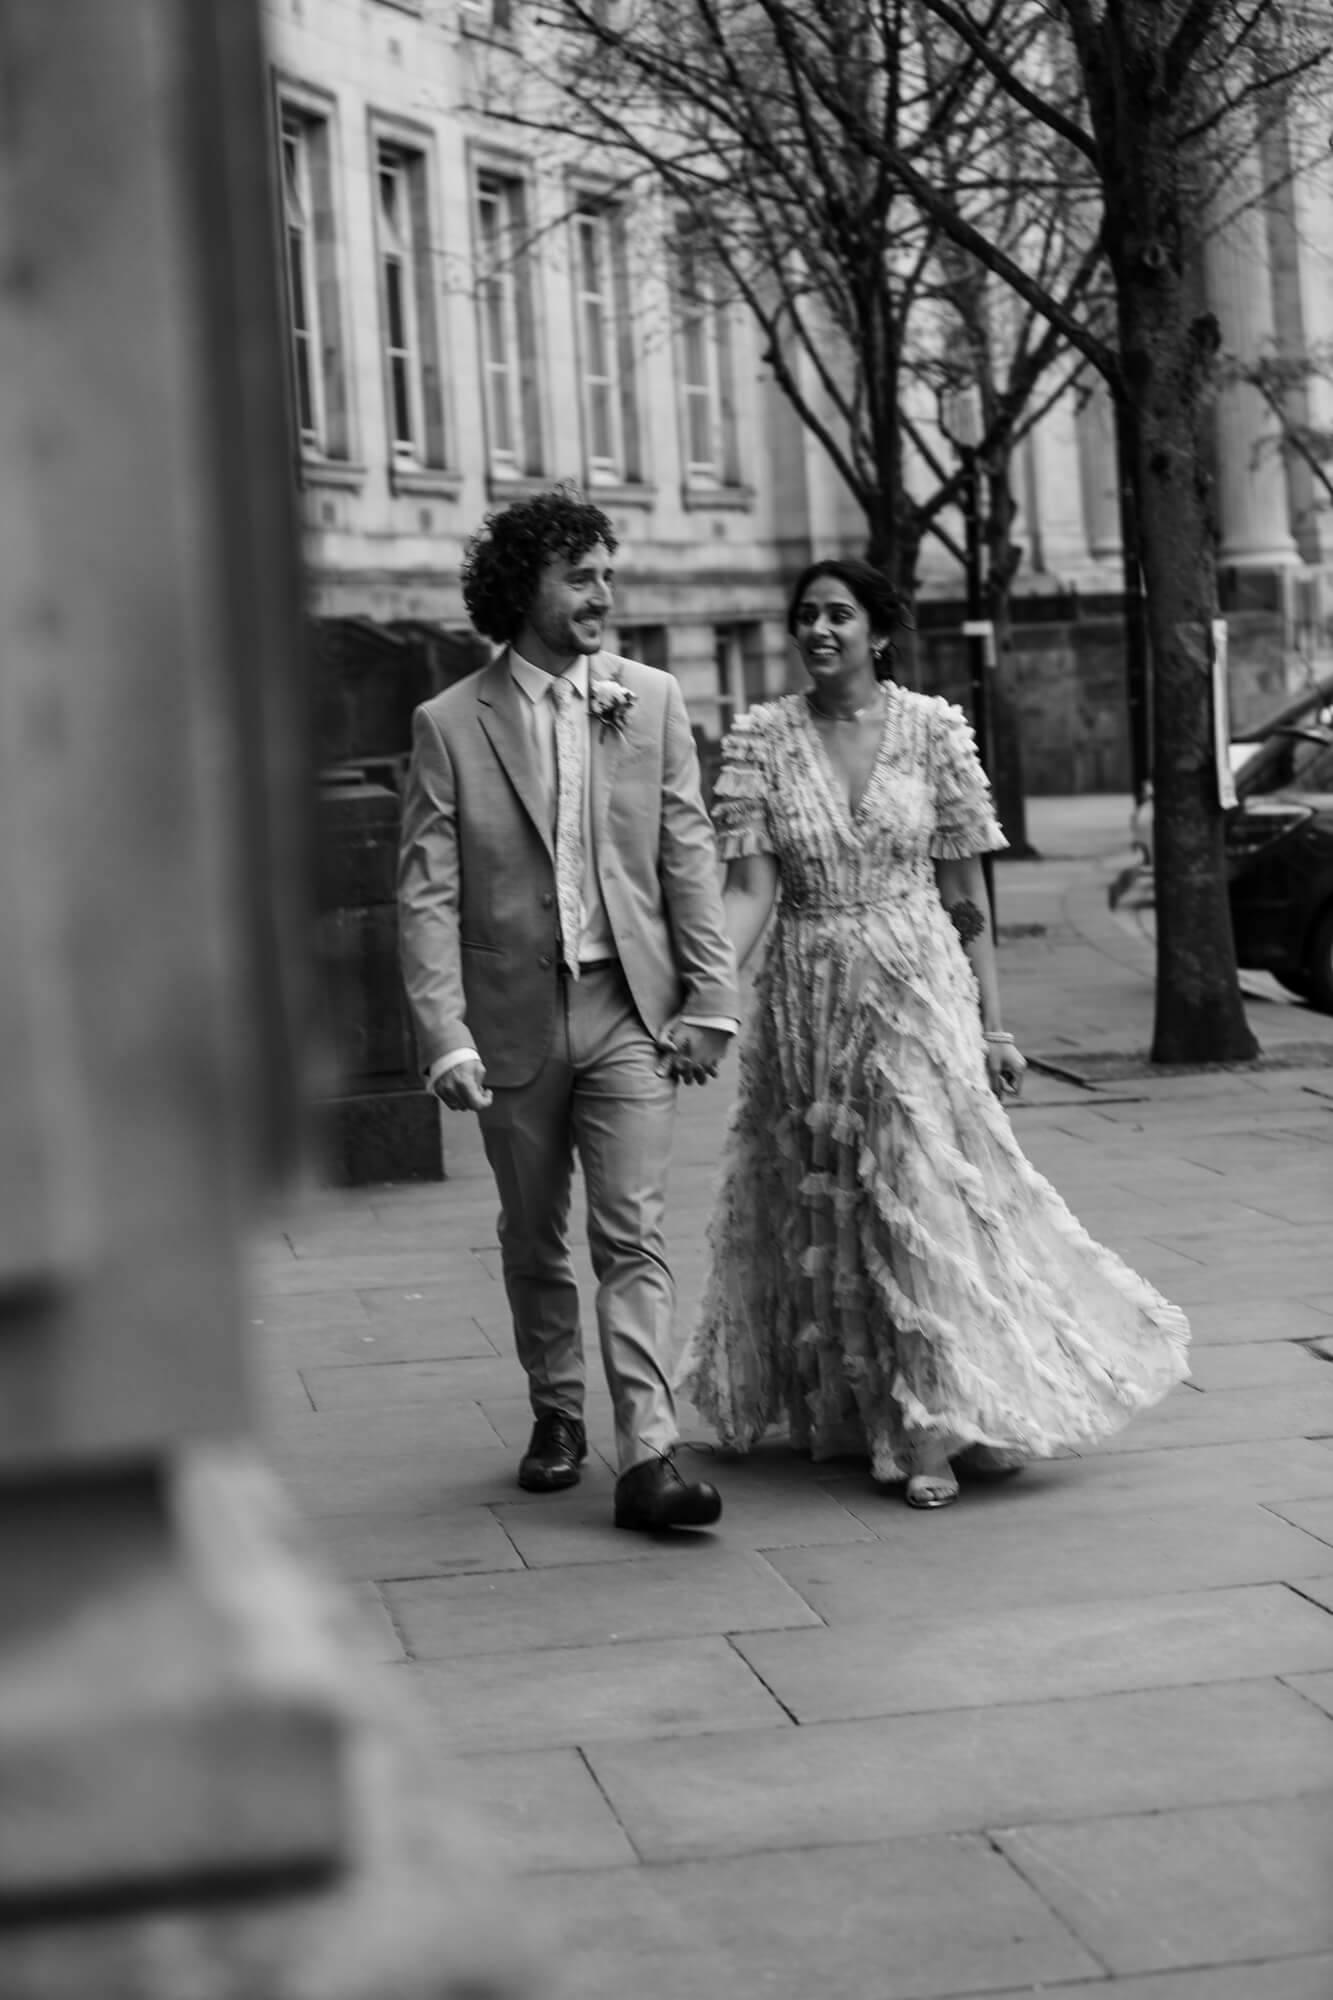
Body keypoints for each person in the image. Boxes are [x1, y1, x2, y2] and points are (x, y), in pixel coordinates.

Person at [676, 557, 1190, 1509]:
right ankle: (866, 1403)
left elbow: (964, 890)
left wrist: (995, 1026)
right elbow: (748, 891)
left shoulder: (933, 731)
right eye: (805, 615)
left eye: (838, 614)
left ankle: (933, 1427)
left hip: (919, 986)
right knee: (838, 1201)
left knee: (919, 1187)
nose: (817, 629)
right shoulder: (760, 741)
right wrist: (710, 998)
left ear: (878, 632)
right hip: (808, 994)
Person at [397, 487, 739, 1531]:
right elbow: (426, 892)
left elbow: (687, 855)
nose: (602, 595)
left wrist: (710, 997)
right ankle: (556, 1412)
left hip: (629, 1010)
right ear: (522, 589)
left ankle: (648, 1454)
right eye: (579, 577)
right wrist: (444, 1034)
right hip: (511, 1018)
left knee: (632, 1234)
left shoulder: (652, 698)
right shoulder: (449, 723)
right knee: (534, 1235)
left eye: (607, 575)